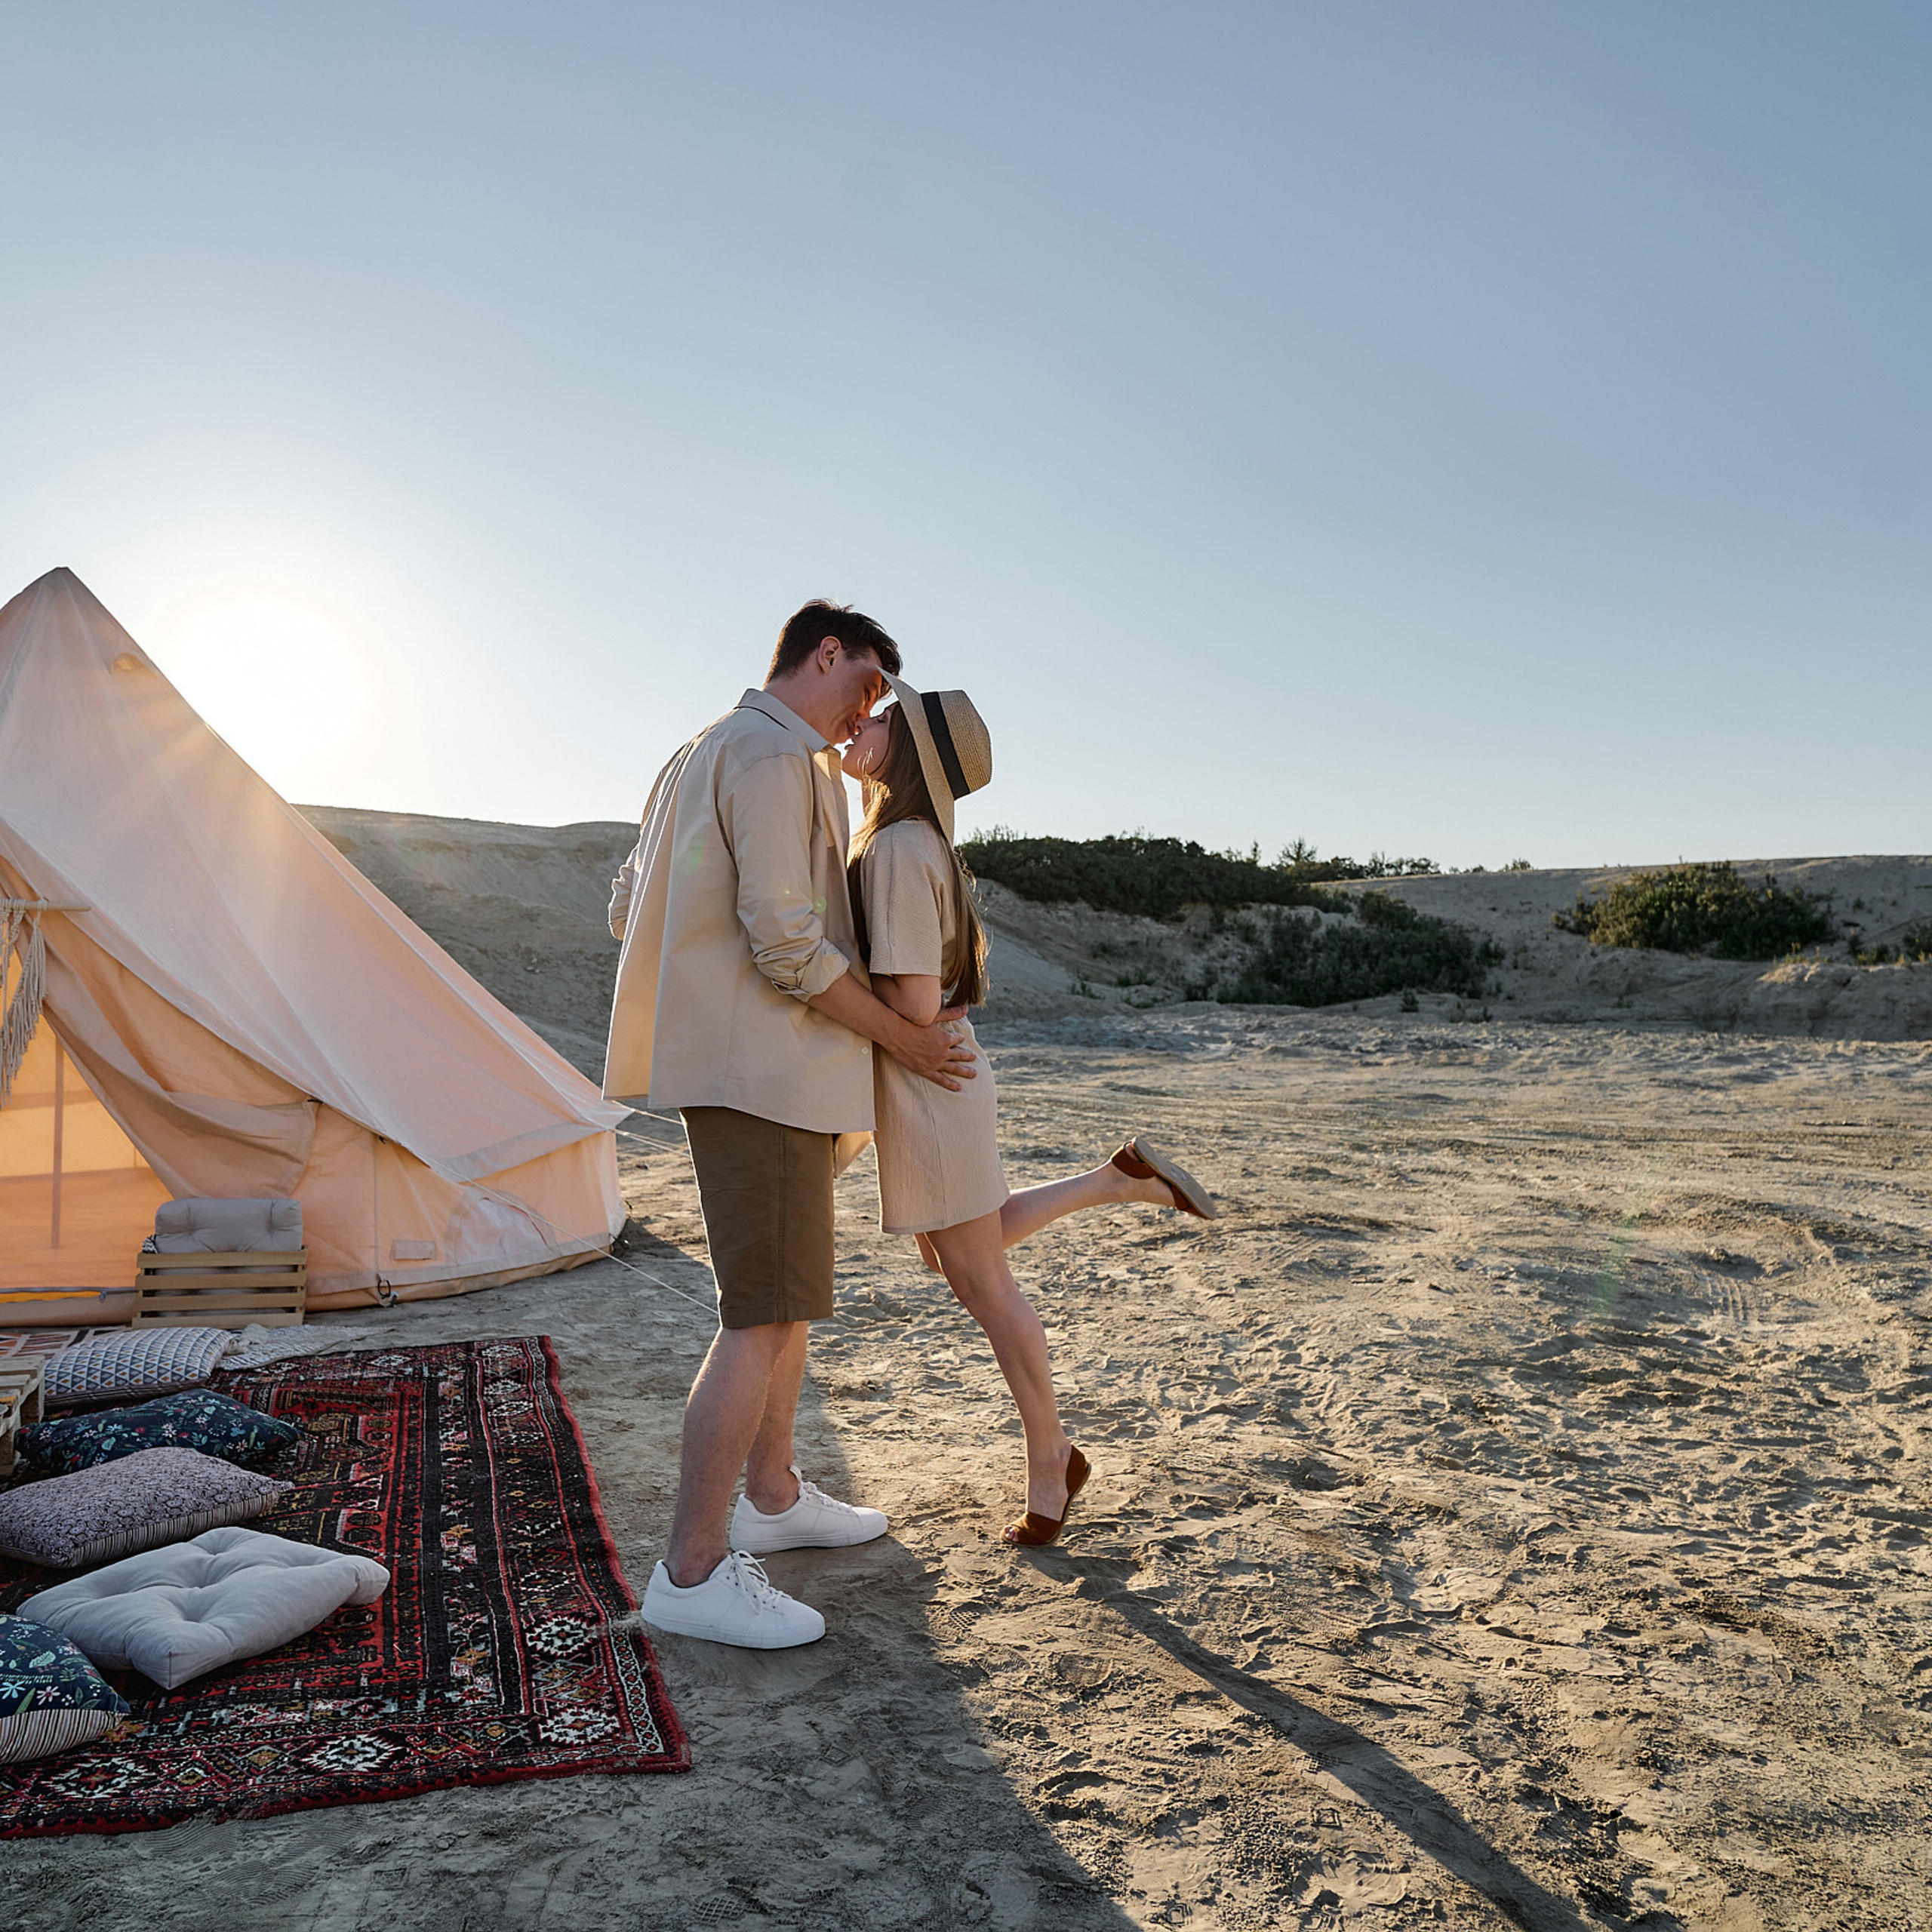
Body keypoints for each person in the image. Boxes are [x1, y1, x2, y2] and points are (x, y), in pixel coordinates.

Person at [605, 601, 976, 1650]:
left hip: (759, 1073)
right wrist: (906, 1041)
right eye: (866, 685)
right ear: (825, 652)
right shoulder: (770, 757)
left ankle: (772, 1496)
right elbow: (788, 945)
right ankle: (690, 1575)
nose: (868, 708)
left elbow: (628, 904)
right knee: (760, 1316)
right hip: (760, 1075)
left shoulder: (702, 748)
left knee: (787, 1304)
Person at [841, 678, 1217, 1547]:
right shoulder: (912, 839)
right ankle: (1117, 1179)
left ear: (910, 751)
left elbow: (913, 1000)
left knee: (982, 1282)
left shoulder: (896, 846)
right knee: (957, 1256)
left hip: (929, 1079)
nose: (867, 718)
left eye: (886, 716)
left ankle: (1052, 1460)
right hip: (935, 1078)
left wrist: (826, 985)